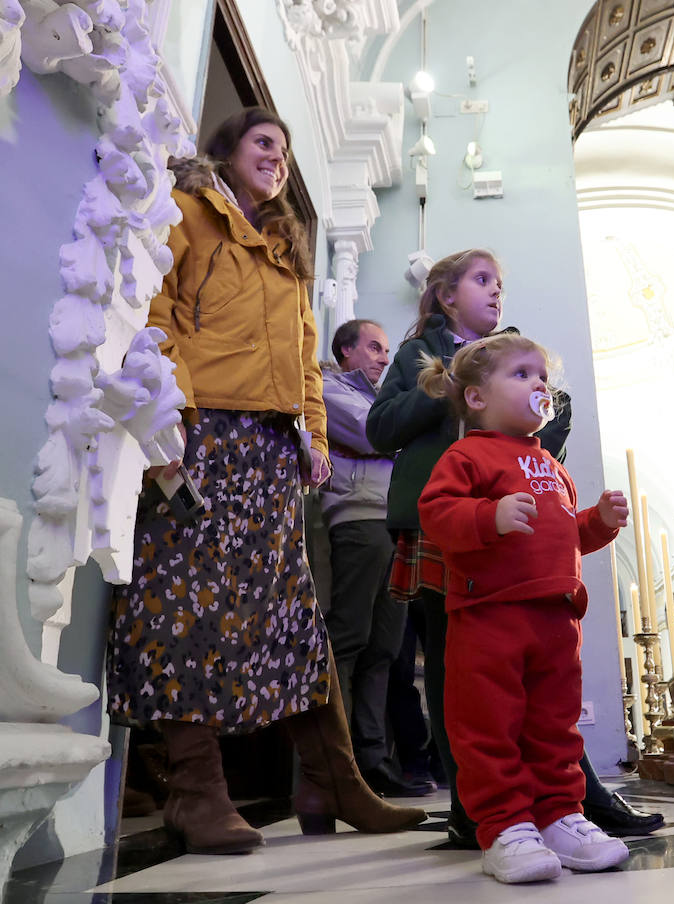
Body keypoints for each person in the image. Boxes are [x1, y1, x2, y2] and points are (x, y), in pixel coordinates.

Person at [107, 107, 426, 855]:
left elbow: (306, 360)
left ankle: (334, 780)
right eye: (263, 144)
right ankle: (195, 789)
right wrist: (169, 413)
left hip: (272, 450)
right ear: (225, 151)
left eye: (284, 151)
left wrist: (313, 435)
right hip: (201, 433)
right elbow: (155, 311)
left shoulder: (287, 253)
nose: (277, 159)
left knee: (292, 618)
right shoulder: (186, 211)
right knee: (183, 605)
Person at [365, 249, 664, 847]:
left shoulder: (513, 353)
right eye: (481, 281)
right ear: (446, 295)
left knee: (541, 683)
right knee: (460, 677)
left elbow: (552, 419)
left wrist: (522, 435)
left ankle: (572, 799)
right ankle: (474, 810)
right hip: (442, 524)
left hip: (514, 527)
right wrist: (451, 383)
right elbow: (381, 428)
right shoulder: (417, 352)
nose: (496, 291)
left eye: (500, 283)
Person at [417, 332, 631, 882]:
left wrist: (598, 523)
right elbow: (437, 515)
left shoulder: (551, 465)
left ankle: (561, 814)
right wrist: (488, 518)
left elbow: (566, 534)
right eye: (522, 374)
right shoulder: (466, 455)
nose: (540, 384)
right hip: (489, 617)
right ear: (476, 398)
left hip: (556, 619)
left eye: (543, 377)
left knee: (555, 727)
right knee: (489, 726)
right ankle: (505, 826)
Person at [320, 319, 431, 797]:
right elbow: (373, 436)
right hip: (360, 519)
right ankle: (338, 763)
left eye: (387, 350)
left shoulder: (384, 401)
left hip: (394, 522)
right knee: (350, 638)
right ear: (345, 351)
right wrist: (409, 438)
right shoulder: (327, 387)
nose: (384, 358)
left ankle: (375, 761)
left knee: (385, 648)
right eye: (373, 347)